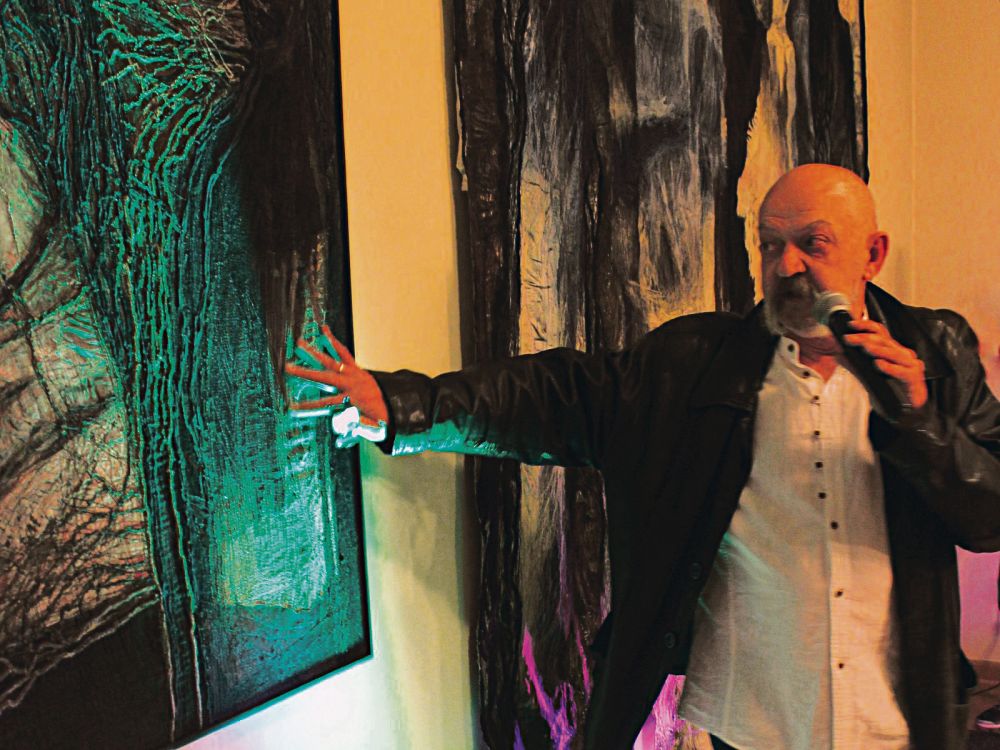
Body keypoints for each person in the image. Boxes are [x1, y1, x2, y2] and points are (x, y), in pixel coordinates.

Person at [285, 164, 1000, 750]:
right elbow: (552, 397)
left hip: (900, 722)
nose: (788, 266)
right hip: (756, 723)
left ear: (873, 253)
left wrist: (919, 420)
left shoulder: (937, 353)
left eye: (813, 243)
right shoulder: (694, 367)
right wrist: (401, 405)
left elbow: (989, 515)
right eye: (770, 244)